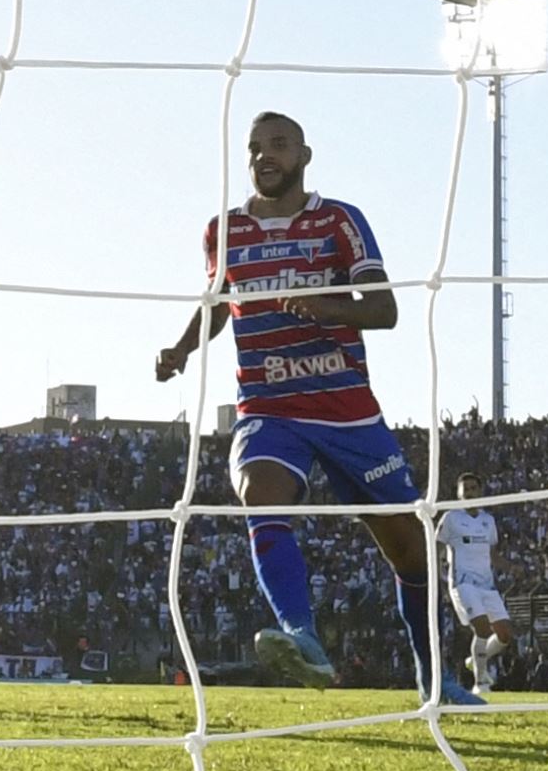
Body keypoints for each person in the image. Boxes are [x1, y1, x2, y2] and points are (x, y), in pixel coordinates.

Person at [154, 111, 482, 705]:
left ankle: (435, 678)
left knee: (409, 548)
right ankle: (301, 635)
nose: (264, 156)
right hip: (267, 407)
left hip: (347, 411)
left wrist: (331, 308)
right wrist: (180, 349)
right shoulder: (222, 230)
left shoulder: (340, 221)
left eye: (278, 145)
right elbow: (219, 304)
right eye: (255, 147)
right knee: (259, 492)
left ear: (305, 155)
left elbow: (384, 310)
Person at [437, 471, 516, 692]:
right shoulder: (451, 518)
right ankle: (480, 682)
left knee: (505, 635)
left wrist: (511, 568)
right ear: (459, 493)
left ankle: (476, 659)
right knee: (481, 627)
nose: (470, 493)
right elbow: (437, 546)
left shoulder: (488, 521)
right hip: (462, 583)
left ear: (480, 491)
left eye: (474, 488)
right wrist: (438, 576)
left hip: (487, 585)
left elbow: (493, 555)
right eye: (466, 489)